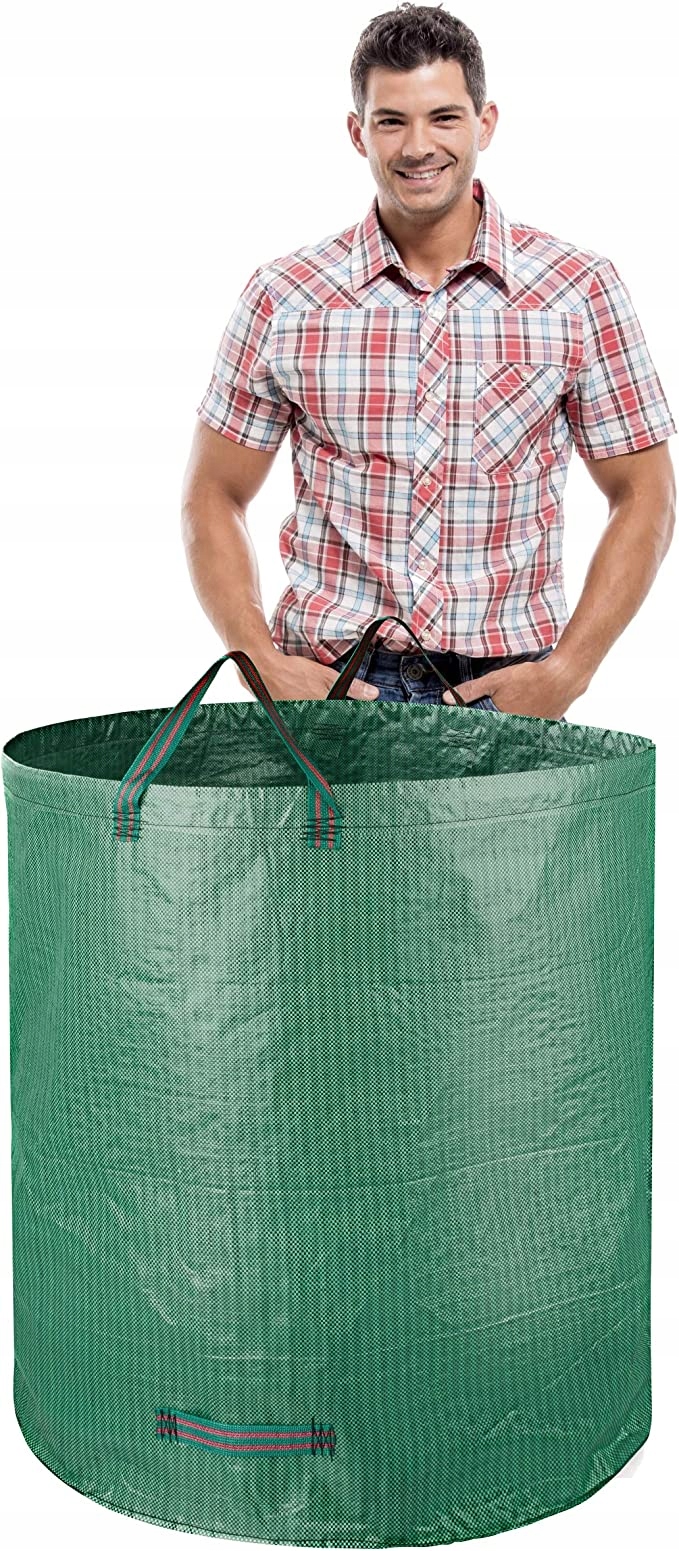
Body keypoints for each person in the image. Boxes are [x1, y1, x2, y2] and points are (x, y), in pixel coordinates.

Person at [181, 3, 676, 719]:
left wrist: (568, 670)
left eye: (444, 117)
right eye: (392, 121)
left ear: (485, 123)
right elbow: (213, 491)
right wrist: (258, 659)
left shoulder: (577, 290)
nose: (418, 147)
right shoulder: (284, 297)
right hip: (332, 687)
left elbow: (645, 491)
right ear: (358, 132)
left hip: (506, 692)